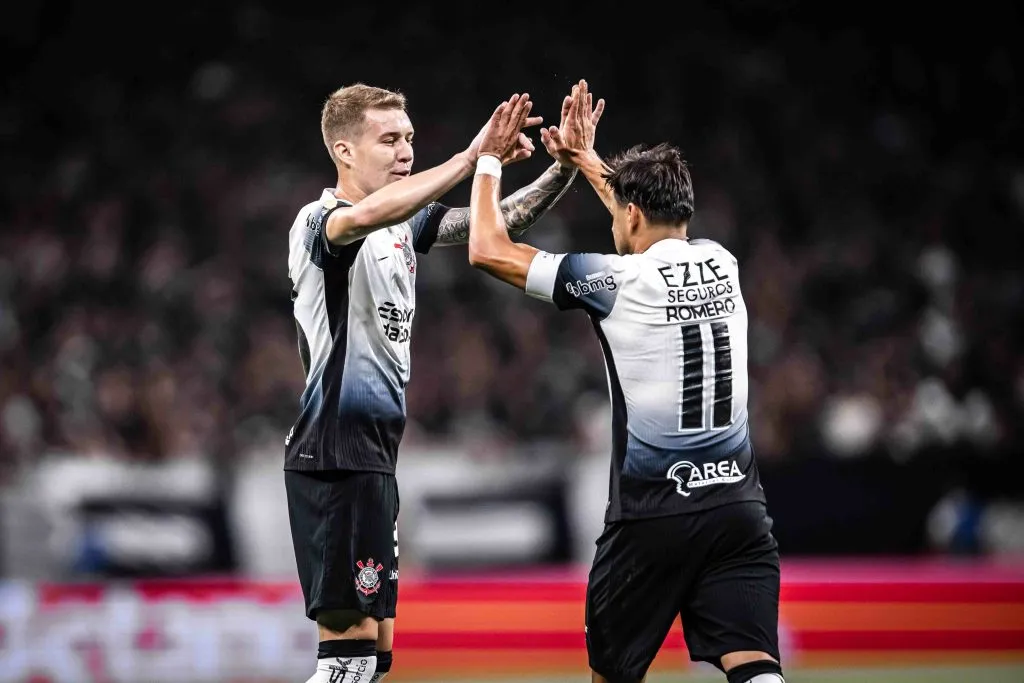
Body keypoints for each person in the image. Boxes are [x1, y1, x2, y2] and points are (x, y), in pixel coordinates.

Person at [466, 82, 784, 683]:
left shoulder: (612, 280)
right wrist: (586, 160)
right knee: (753, 662)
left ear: (630, 214)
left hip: (651, 517)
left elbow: (486, 248)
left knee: (612, 675)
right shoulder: (724, 263)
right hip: (738, 508)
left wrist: (487, 159)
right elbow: (642, 214)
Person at [285, 83, 578, 683]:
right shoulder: (323, 223)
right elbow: (367, 215)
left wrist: (562, 170)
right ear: (343, 151)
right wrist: (473, 157)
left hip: (371, 459)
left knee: (373, 659)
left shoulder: (403, 225)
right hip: (334, 456)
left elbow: (498, 221)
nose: (405, 151)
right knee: (347, 661)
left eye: (410, 139)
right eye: (388, 140)